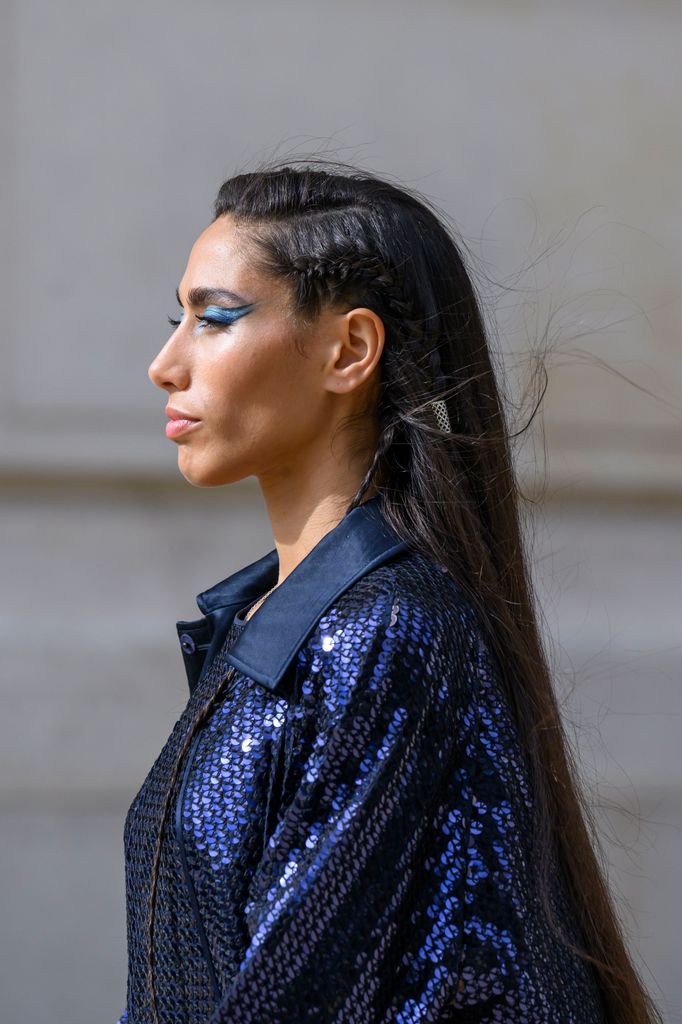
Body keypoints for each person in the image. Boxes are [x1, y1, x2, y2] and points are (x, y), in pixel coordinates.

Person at [116, 160, 661, 1023]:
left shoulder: (387, 631)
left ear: (349, 350)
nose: (164, 364)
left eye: (214, 320)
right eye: (175, 318)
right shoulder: (273, 622)